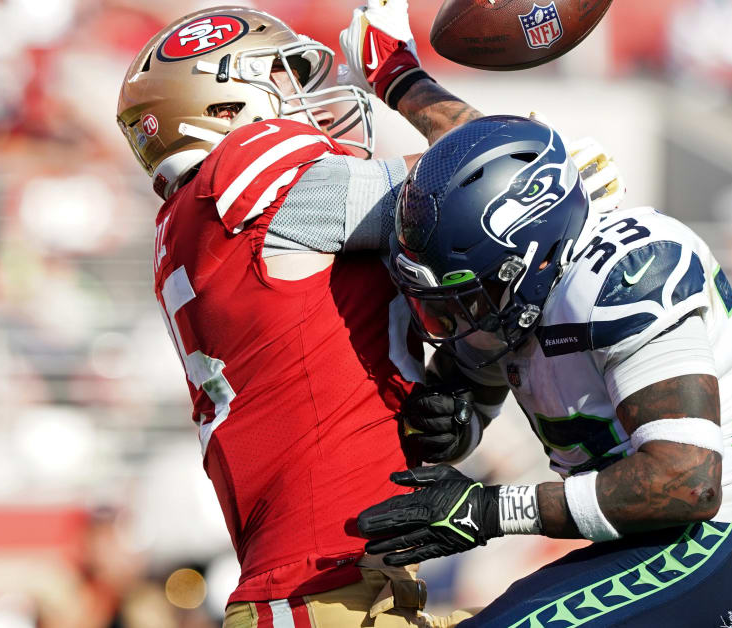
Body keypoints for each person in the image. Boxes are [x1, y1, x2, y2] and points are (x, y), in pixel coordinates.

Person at [357, 115, 732, 627]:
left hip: (722, 542)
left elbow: (686, 480)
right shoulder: (523, 294)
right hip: (647, 553)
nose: (458, 322)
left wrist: (488, 511)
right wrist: (448, 424)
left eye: (470, 295)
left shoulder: (622, 271)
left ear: (534, 256)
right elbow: (469, 400)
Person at [114, 3, 487, 626]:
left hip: (340, 581)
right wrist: (400, 78)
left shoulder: (204, 220)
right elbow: (481, 177)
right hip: (323, 588)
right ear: (225, 110)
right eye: (286, 77)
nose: (309, 95)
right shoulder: (239, 172)